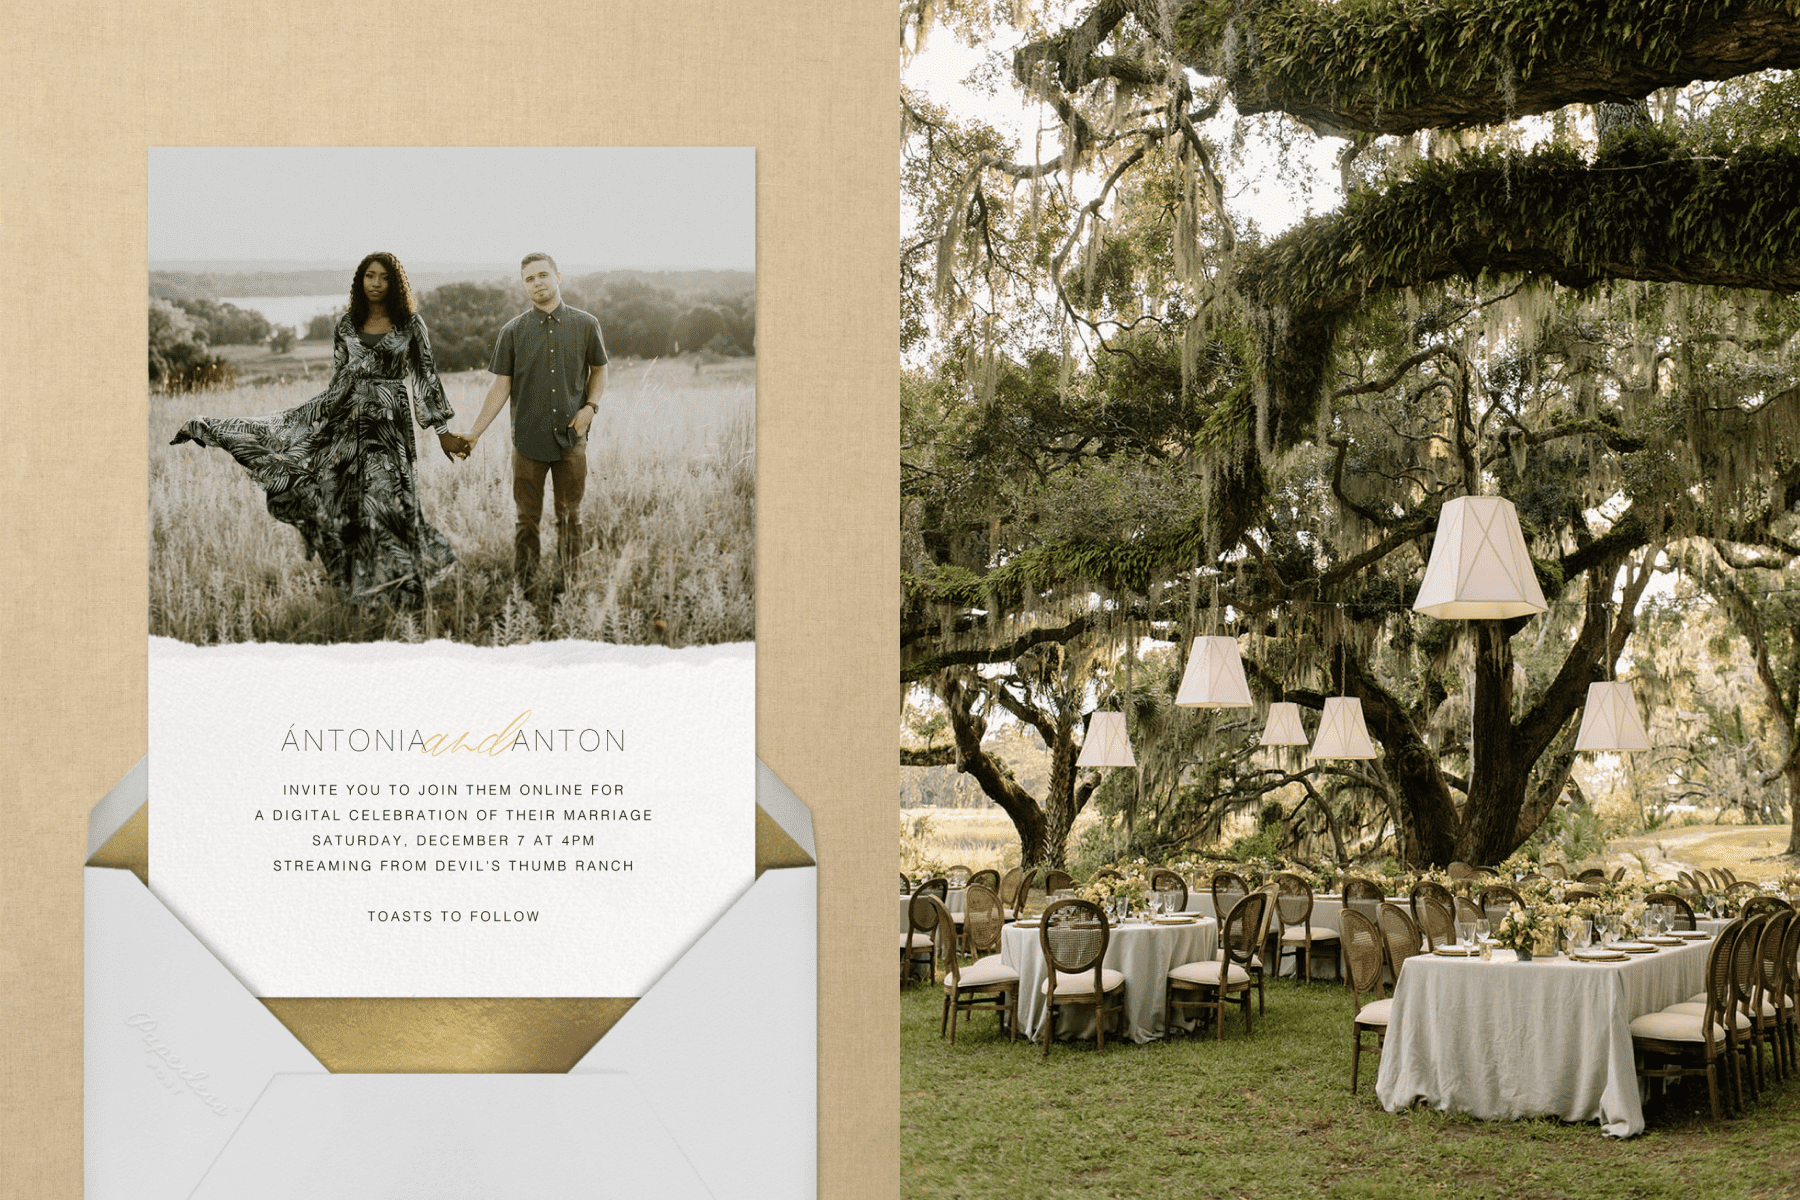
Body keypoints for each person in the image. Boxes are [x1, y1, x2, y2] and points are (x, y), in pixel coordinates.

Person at [172, 252, 468, 606]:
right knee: (349, 501)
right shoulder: (346, 324)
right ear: (360, 281)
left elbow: (425, 377)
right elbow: (337, 381)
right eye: (369, 276)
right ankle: (363, 588)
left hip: (389, 425)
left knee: (390, 501)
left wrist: (443, 432)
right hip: (346, 422)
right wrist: (308, 423)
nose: (375, 283)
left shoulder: (410, 324)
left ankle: (404, 584)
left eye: (384, 277)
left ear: (396, 283)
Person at [452, 252, 607, 582]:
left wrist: (590, 408)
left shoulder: (586, 324)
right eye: (529, 279)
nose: (537, 283)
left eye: (543, 275)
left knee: (570, 516)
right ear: (524, 286)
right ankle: (525, 587)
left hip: (571, 439)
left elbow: (600, 369)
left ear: (558, 276)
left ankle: (569, 585)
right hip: (527, 443)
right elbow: (500, 387)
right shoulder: (512, 331)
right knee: (526, 520)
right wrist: (475, 433)